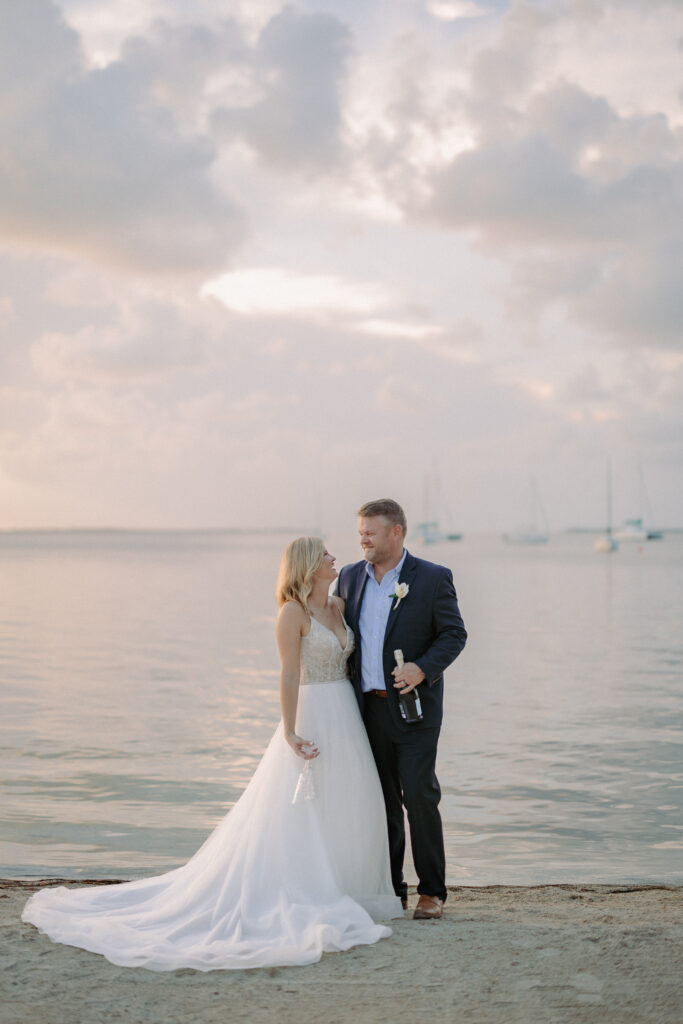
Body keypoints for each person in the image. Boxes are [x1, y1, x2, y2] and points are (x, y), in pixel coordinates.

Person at [22, 537, 402, 971]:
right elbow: (288, 674)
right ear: (308, 565)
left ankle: (347, 888)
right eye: (326, 555)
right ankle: (305, 888)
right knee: (301, 807)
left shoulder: (337, 607)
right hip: (313, 711)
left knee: (349, 799)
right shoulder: (291, 612)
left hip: (346, 716)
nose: (335, 558)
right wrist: (289, 731)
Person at [336, 499, 467, 920]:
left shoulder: (431, 578)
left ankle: (432, 892)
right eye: (360, 533)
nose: (363, 539)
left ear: (396, 532)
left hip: (415, 710)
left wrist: (422, 668)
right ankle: (392, 890)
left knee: (419, 795)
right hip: (366, 711)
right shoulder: (350, 577)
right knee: (381, 802)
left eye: (370, 532)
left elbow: (453, 635)